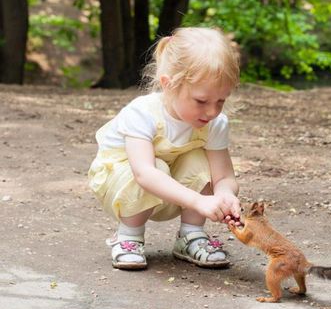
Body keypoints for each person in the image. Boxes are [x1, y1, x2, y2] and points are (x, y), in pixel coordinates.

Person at [88, 27, 241, 270]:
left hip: (173, 186)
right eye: (201, 101)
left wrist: (225, 194)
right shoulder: (142, 113)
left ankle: (191, 235)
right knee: (155, 166)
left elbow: (223, 176)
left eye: (221, 101)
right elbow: (144, 174)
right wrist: (199, 201)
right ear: (168, 84)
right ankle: (129, 236)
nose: (212, 111)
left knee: (199, 160)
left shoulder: (215, 123)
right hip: (121, 183)